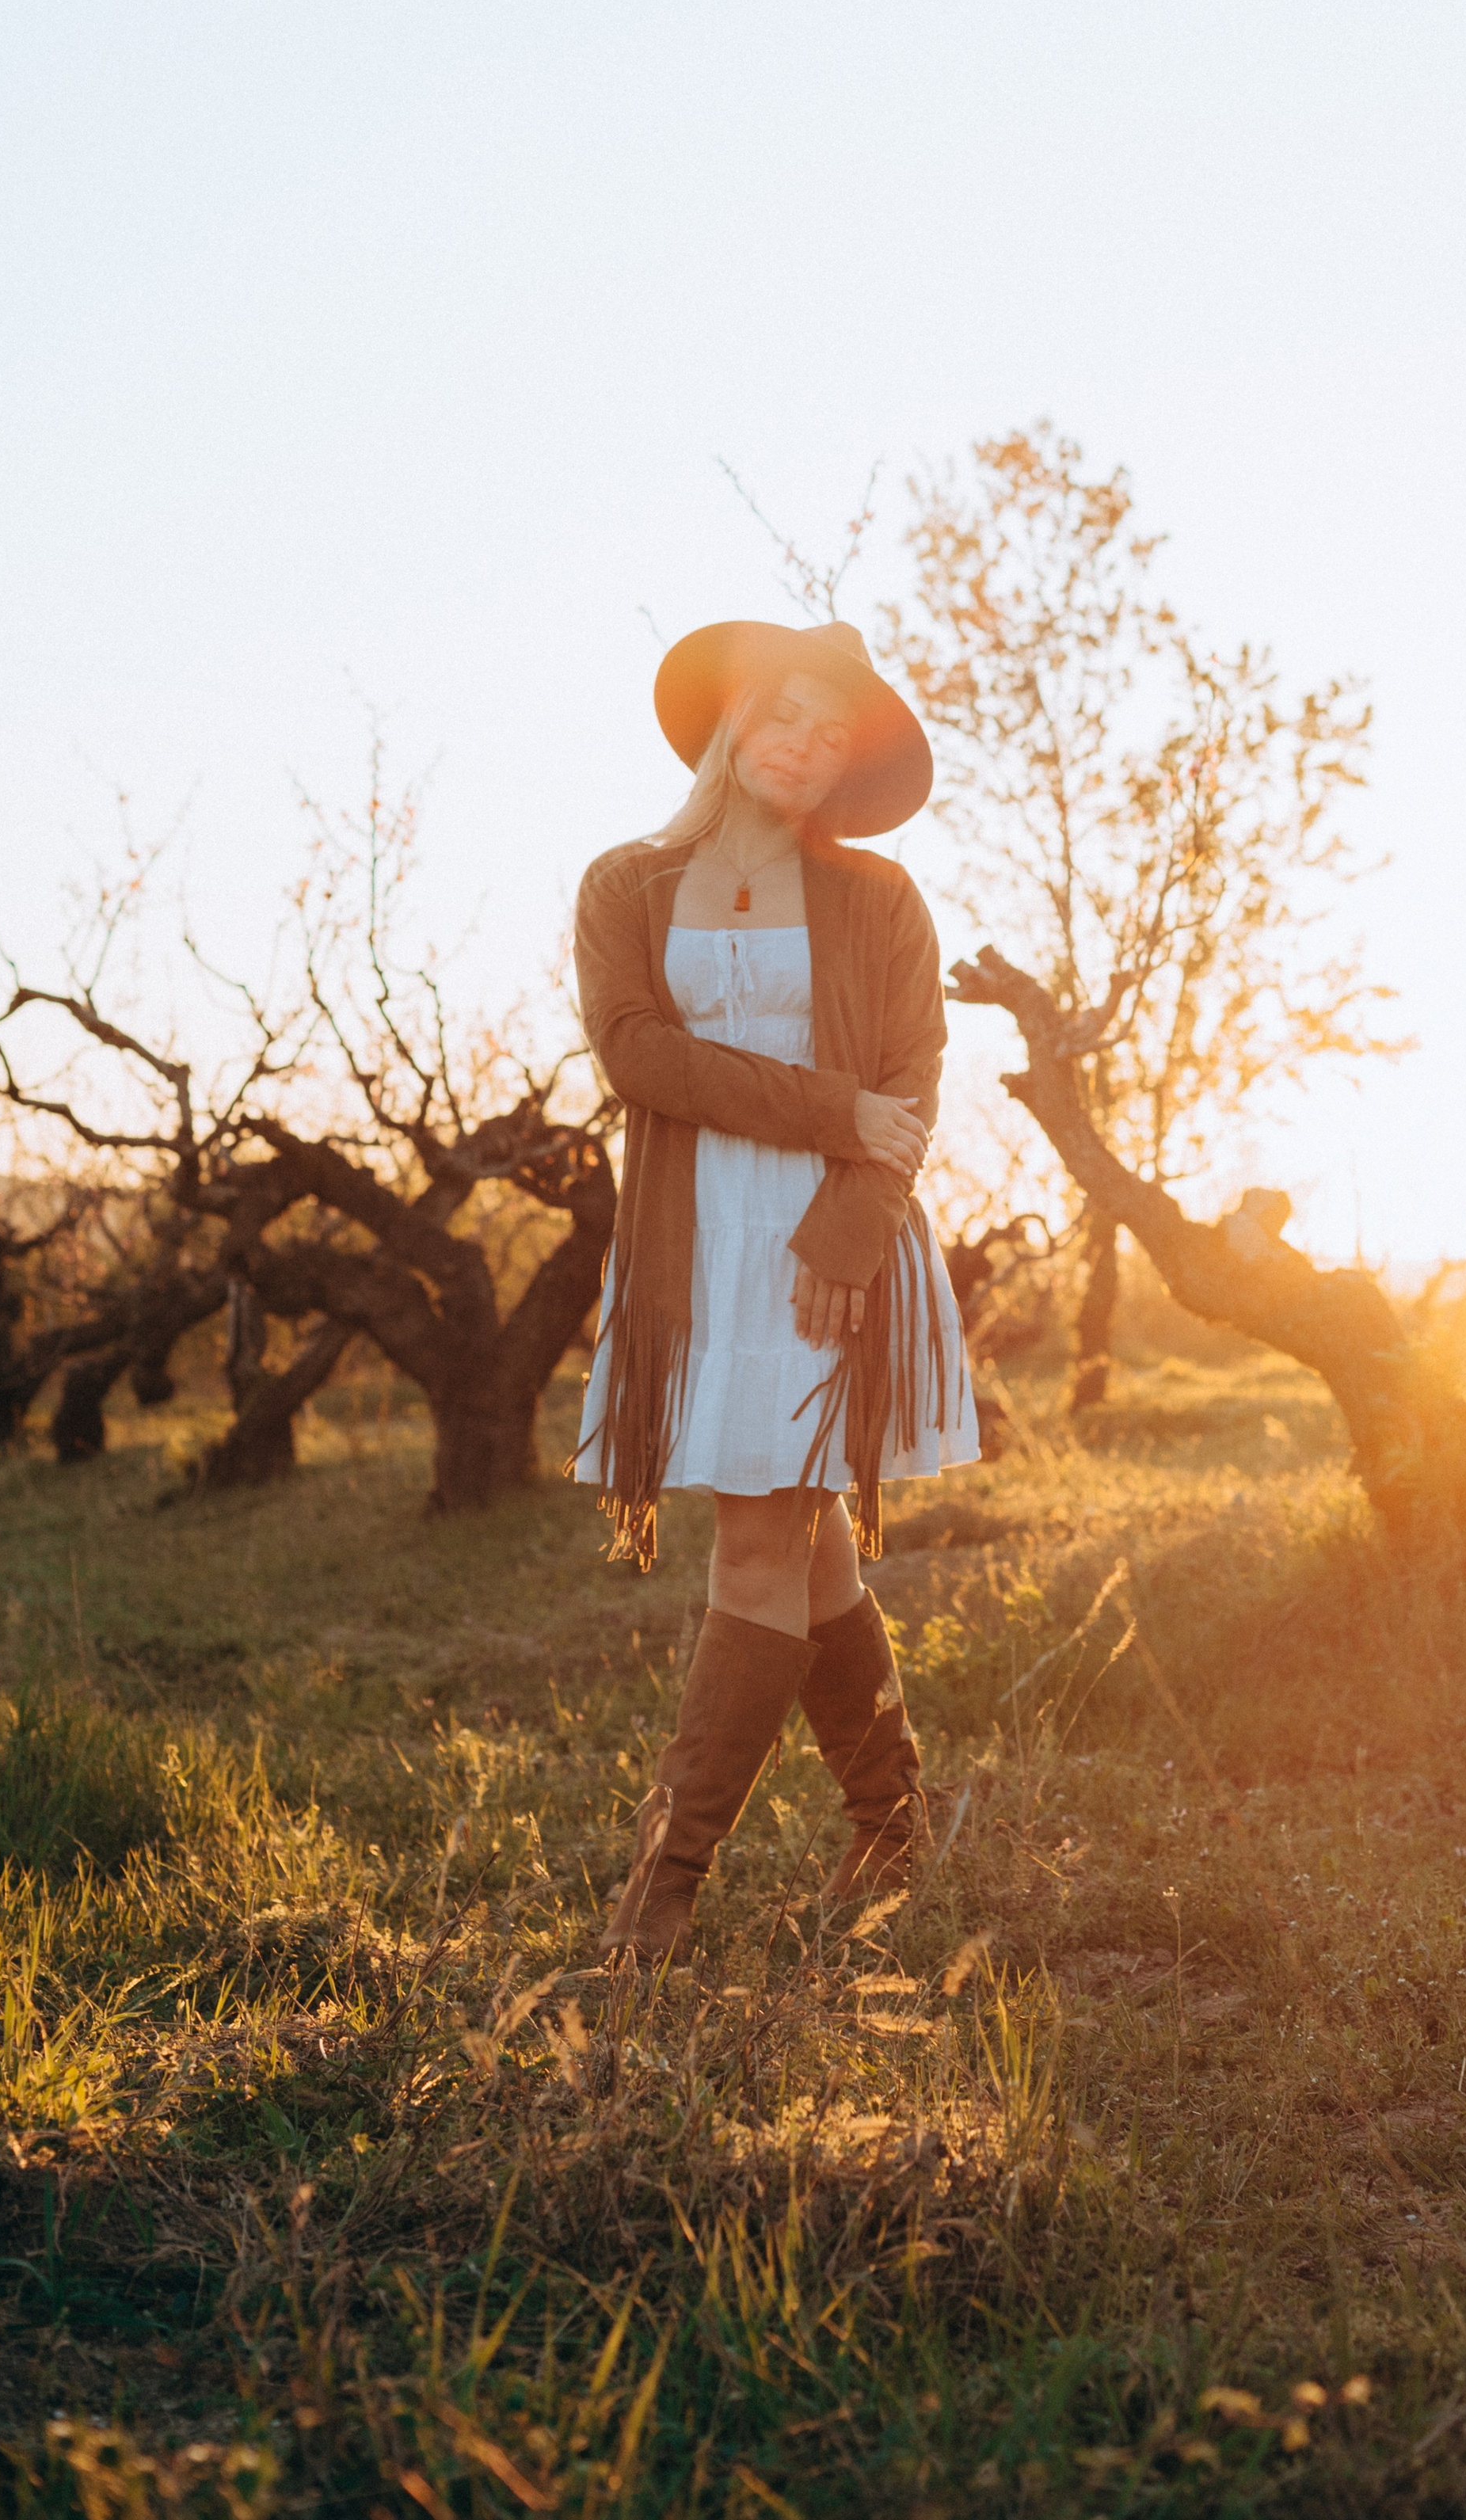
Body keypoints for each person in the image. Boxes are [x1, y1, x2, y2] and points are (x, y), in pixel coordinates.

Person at [573, 617, 978, 1967]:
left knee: (756, 1541)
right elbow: (642, 1059)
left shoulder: (882, 900)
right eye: (787, 713)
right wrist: (834, 1107)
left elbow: (912, 1089)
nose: (803, 746)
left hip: (831, 1245)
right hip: (695, 1242)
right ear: (736, 716)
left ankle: (663, 1893)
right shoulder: (626, 883)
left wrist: (850, 1236)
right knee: (808, 1550)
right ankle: (892, 1820)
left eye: (832, 734)